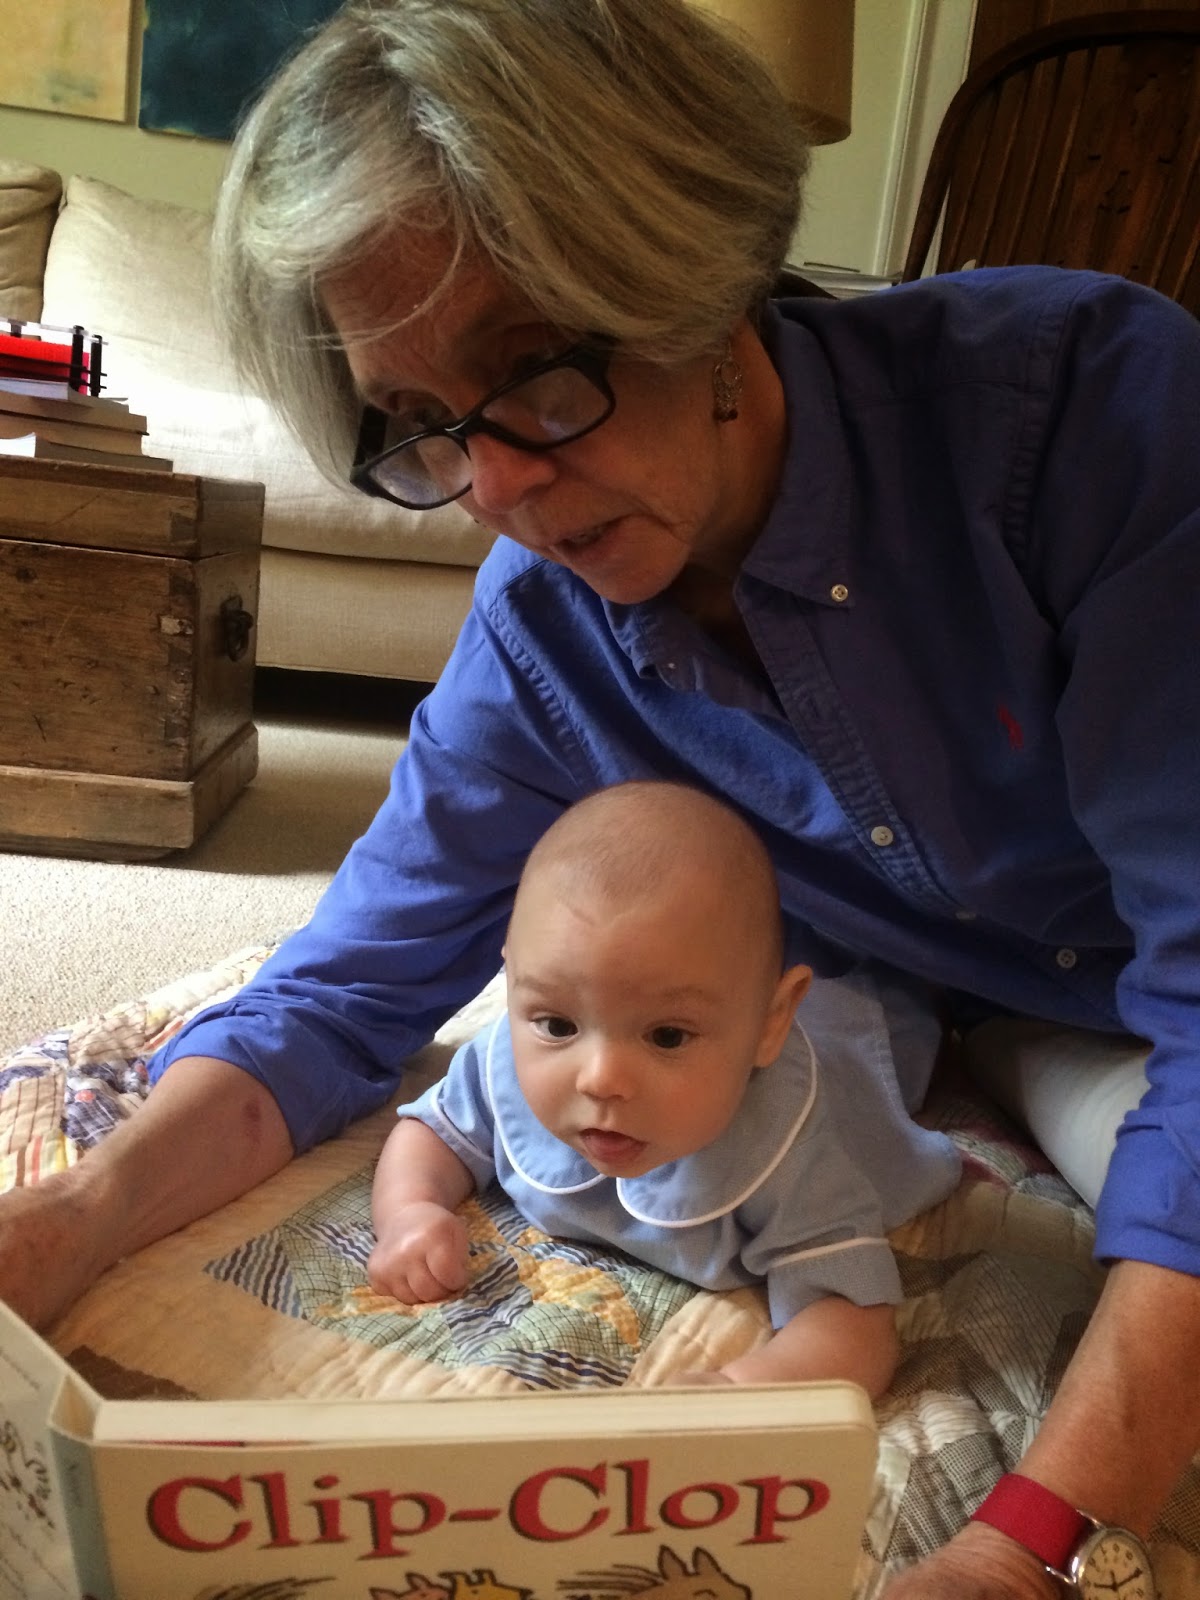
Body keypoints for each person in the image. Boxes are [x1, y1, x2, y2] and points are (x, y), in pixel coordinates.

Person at [1, 1, 1198, 1595]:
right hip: (934, 1015)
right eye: (420, 425)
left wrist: (1029, 1542)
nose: (494, 487)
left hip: (1124, 994)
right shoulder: (541, 634)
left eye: (537, 376)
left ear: (699, 272)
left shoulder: (1089, 413)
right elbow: (346, 991)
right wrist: (71, 1221)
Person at [370, 780, 959, 1397]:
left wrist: (740, 1388)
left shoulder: (792, 1140)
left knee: (909, 1009)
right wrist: (410, 1211)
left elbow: (852, 1318)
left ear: (770, 1025)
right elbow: (432, 1131)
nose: (600, 1078)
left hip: (863, 1037)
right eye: (559, 1025)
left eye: (668, 1036)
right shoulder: (507, 1056)